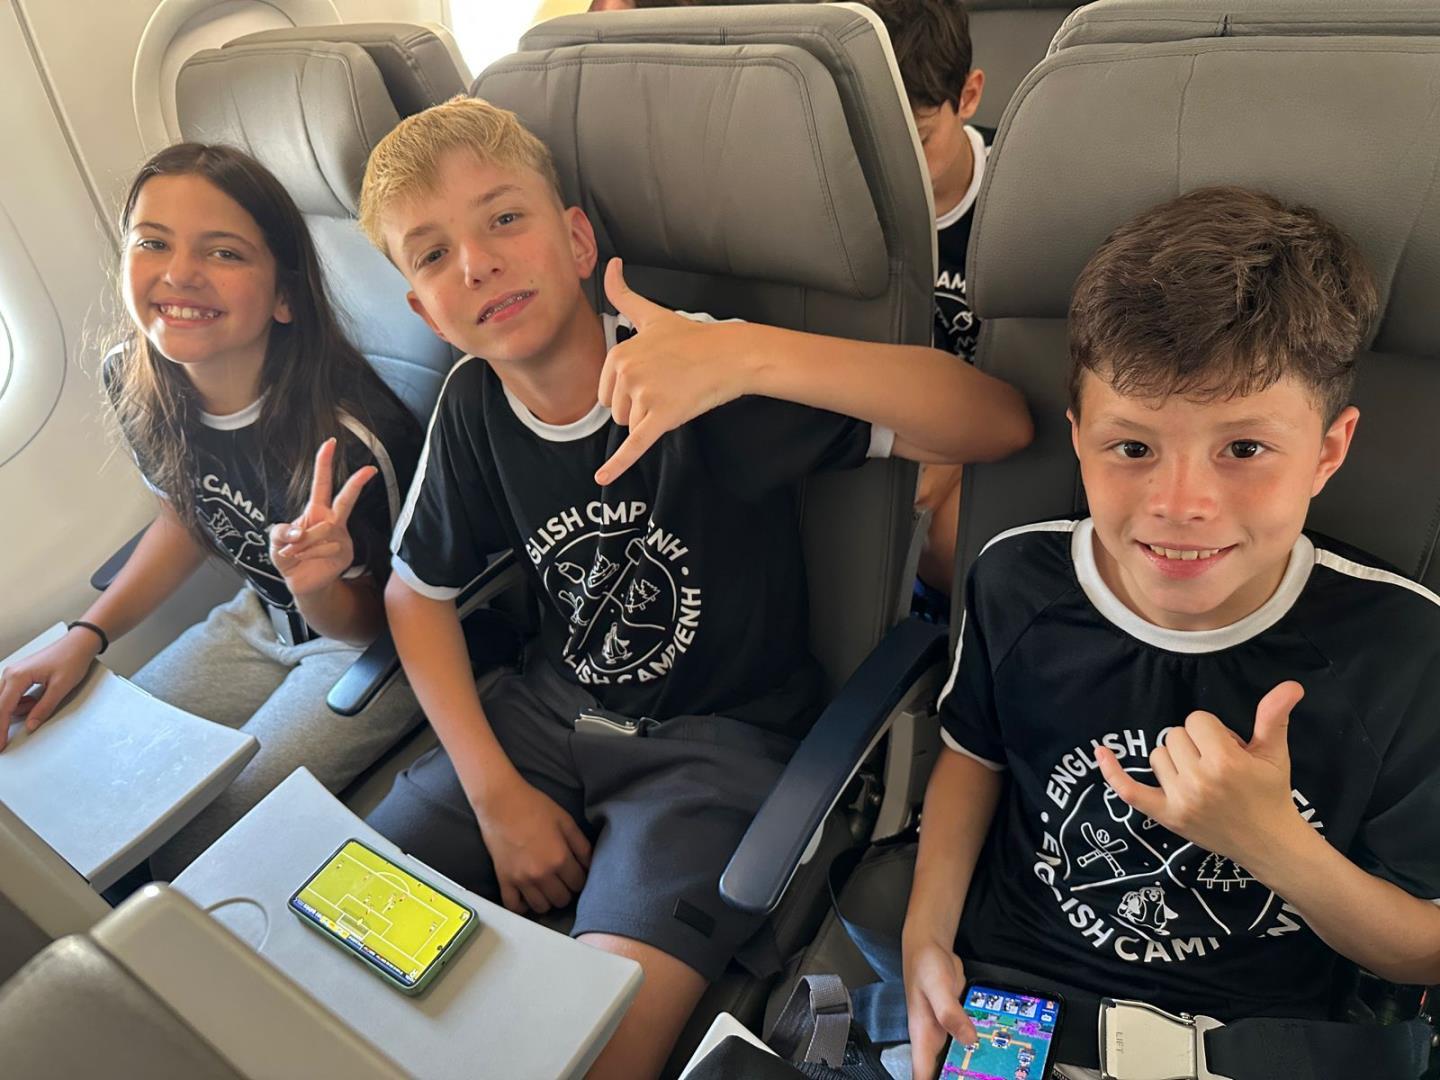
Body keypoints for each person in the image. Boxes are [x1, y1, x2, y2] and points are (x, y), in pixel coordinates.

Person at [355, 96, 1031, 1079]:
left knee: (592, 1051)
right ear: (424, 311)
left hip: (712, 751)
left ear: (576, 240)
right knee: (325, 945)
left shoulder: (702, 378)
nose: (477, 263)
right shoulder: (472, 407)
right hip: (545, 722)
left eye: (504, 218)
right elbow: (415, 596)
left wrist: (745, 353)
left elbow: (997, 424)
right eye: (432, 254)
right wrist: (495, 794)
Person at [902, 186, 1440, 1080]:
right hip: (1017, 1009)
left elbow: (1422, 952)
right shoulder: (1017, 581)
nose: (1180, 505)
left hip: (1258, 1047)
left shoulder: (1403, 647)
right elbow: (974, 757)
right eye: (1134, 447)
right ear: (1080, 440)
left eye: (1244, 450)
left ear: (1329, 451)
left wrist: (1271, 842)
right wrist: (926, 938)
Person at [0, 143, 423, 879]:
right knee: (95, 782)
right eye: (153, 242)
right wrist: (85, 635)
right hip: (261, 614)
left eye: (223, 253)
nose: (179, 273)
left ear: (285, 297)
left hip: (369, 644)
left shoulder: (351, 439)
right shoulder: (135, 379)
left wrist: (315, 587)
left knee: (192, 839)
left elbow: (389, 622)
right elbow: (185, 518)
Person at [854, 0, 991, 608]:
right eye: (876, 140)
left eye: (919, 137)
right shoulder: (848, 196)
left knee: (946, 543)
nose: (896, 165)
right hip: (881, 416)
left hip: (987, 422)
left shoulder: (1023, 193)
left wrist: (948, 463)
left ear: (969, 96)